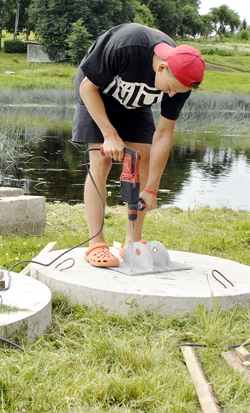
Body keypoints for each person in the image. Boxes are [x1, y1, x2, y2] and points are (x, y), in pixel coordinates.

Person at [72, 23, 205, 267]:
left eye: (178, 92)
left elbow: (164, 133)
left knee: (141, 158)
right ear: (162, 67)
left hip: (136, 104)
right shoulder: (127, 45)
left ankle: (131, 242)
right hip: (96, 95)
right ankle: (96, 244)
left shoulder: (182, 80)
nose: (172, 95)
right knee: (100, 161)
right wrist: (110, 135)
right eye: (170, 89)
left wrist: (152, 189)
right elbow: (87, 88)